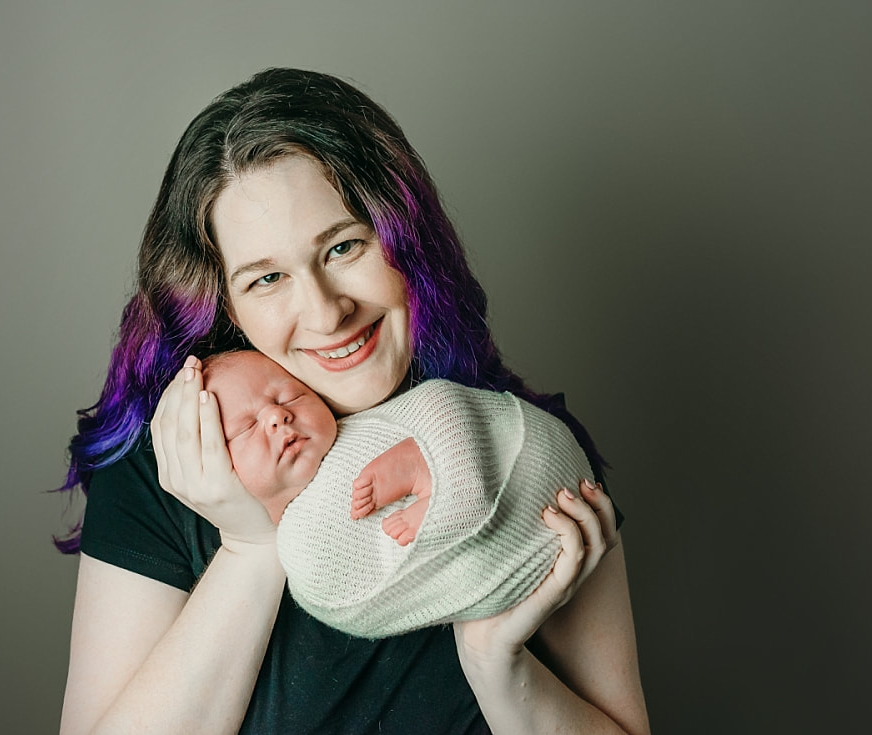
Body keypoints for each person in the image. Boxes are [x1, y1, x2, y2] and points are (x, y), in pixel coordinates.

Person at [57, 68, 649, 734]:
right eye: (267, 278)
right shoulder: (165, 474)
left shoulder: (522, 454)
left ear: (405, 240)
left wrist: (498, 664)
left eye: (344, 246)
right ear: (226, 302)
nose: (325, 311)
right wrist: (251, 550)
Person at [203, 349, 599, 639]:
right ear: (214, 473)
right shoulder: (300, 545)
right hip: (536, 558)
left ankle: (435, 478)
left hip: (540, 458)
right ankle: (442, 492)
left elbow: (443, 402)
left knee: (440, 407)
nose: (277, 415)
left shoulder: (352, 430)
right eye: (244, 428)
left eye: (289, 396)